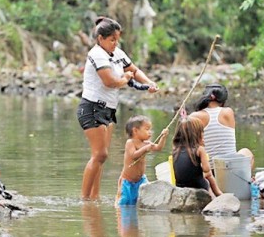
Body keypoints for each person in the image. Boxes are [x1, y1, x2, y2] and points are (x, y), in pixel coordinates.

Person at [77, 16, 160, 201]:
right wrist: (126, 78)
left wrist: (148, 83)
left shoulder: (117, 53)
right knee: (100, 154)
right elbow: (110, 81)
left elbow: (134, 70)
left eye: (117, 39)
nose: (115, 43)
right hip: (91, 108)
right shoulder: (97, 54)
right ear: (101, 39)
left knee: (101, 158)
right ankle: (84, 200)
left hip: (108, 110)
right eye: (111, 40)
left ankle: (95, 198)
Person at [189, 83, 254, 169]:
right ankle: (245, 179)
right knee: (246, 152)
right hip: (230, 171)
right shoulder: (228, 112)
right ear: (223, 101)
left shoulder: (193, 117)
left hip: (206, 171)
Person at [117, 115, 169, 206]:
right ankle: (121, 217)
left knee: (144, 201)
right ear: (135, 131)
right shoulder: (130, 143)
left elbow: (158, 148)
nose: (150, 132)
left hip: (141, 180)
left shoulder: (146, 143)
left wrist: (163, 137)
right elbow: (133, 155)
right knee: (124, 203)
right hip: (127, 182)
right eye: (147, 129)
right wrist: (145, 149)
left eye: (150, 130)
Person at [172, 117, 223, 197]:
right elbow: (206, 169)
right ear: (197, 134)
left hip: (180, 186)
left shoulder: (175, 149)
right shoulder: (199, 149)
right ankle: (216, 195)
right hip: (197, 185)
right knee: (209, 175)